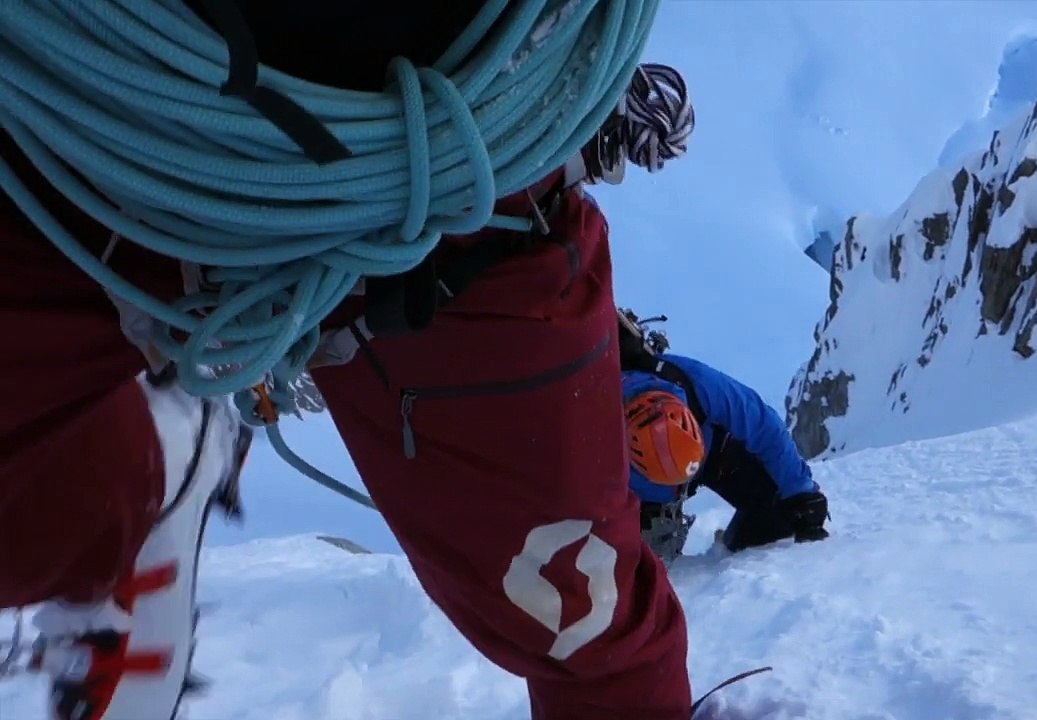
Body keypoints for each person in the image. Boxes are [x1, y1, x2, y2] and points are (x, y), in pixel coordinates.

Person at [0, 4, 706, 719]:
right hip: (100, 126)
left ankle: (124, 464)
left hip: (465, 194)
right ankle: (131, 472)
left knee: (586, 631)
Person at [616, 312, 831, 563]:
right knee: (636, 569)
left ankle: (731, 546)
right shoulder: (588, 433)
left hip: (715, 454)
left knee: (781, 514)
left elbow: (763, 426)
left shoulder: (691, 383)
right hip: (635, 495)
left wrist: (801, 493)